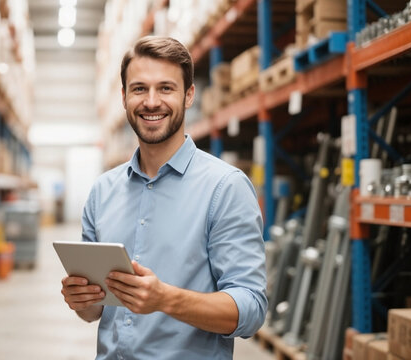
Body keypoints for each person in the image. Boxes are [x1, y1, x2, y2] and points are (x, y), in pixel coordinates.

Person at [60, 36, 267, 359]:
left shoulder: (225, 188)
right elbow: (94, 312)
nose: (151, 102)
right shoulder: (103, 192)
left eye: (166, 89)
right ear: (124, 96)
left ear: (188, 96)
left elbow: (251, 309)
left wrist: (166, 300)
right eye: (139, 88)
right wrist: (81, 300)